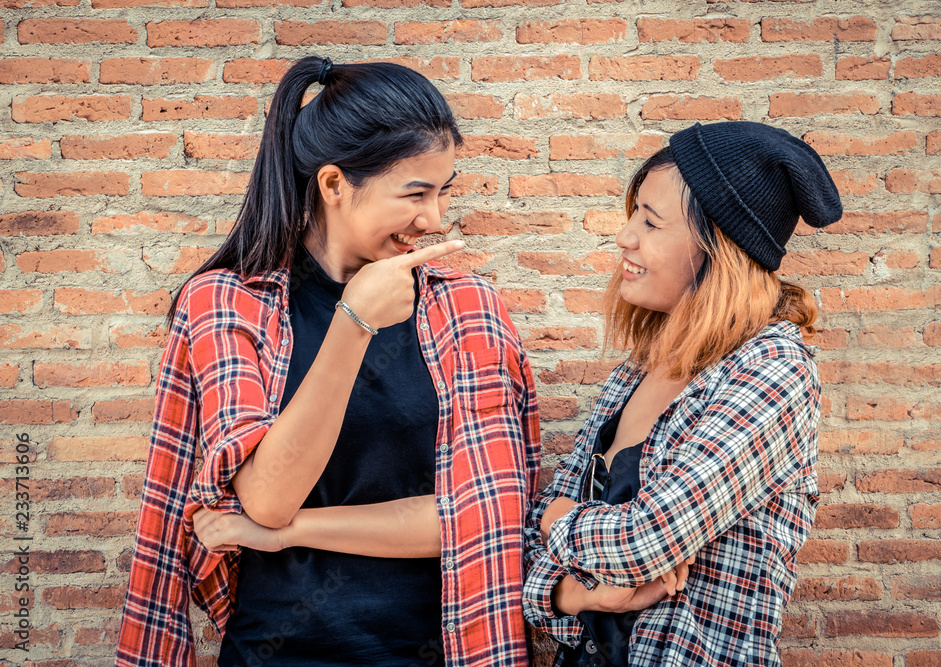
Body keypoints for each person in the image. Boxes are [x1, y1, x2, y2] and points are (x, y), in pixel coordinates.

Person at [116, 56, 540, 667]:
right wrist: (354, 322)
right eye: (414, 193)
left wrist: (290, 533)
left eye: (443, 191)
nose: (435, 220)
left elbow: (480, 518)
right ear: (335, 183)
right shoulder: (228, 304)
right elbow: (266, 496)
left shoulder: (466, 309)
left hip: (438, 648)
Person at [523, 120, 843, 666]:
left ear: (718, 246)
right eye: (633, 213)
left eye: (650, 221)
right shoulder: (639, 369)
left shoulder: (772, 371)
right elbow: (529, 553)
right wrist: (582, 594)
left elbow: (647, 537)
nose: (625, 235)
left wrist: (561, 520)